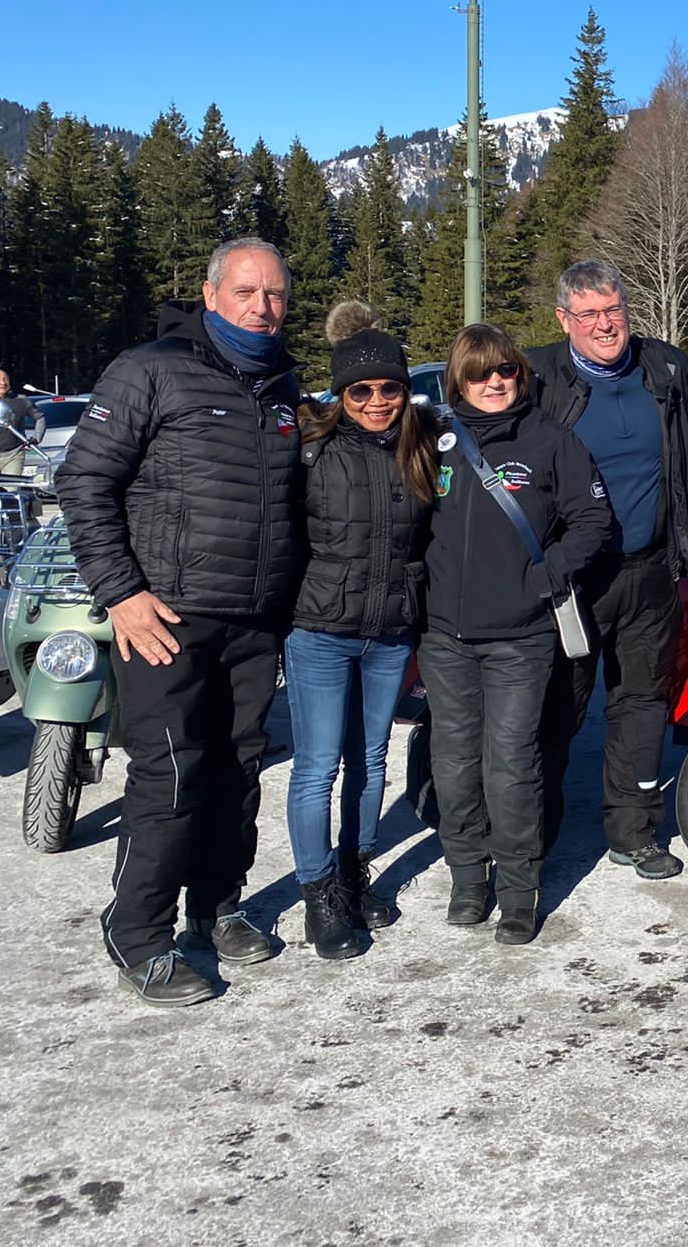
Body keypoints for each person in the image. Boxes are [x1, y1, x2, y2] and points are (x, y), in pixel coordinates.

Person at [56, 238, 303, 1007]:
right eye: (246, 292)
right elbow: (84, 481)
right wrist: (120, 591)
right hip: (163, 615)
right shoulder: (150, 369)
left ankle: (216, 906)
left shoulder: (282, 383)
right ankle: (137, 932)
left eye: (274, 294)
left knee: (237, 768)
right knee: (170, 771)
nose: (262, 307)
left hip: (253, 619)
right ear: (210, 293)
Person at [420, 326, 612, 945]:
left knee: (510, 764)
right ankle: (467, 877)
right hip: (445, 636)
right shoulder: (435, 441)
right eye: (481, 373)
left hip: (520, 637)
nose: (496, 382)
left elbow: (593, 520)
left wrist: (545, 575)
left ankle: (518, 889)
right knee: (454, 763)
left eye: (506, 370)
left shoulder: (551, 441)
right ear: (459, 380)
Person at [531, 261, 688, 880]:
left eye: (613, 310)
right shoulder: (538, 376)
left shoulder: (665, 368)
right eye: (588, 314)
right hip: (574, 577)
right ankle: (535, 834)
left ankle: (633, 830)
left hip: (651, 567)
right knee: (559, 707)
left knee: (641, 703)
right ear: (564, 320)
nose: (605, 325)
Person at [283, 302, 437, 961]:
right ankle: (319, 894)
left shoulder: (420, 448)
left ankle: (353, 871)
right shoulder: (311, 449)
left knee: (371, 761)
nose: (377, 401)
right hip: (320, 630)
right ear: (341, 394)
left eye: (389, 388)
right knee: (318, 767)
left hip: (390, 631)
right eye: (361, 390)